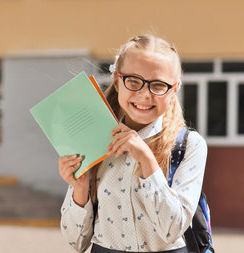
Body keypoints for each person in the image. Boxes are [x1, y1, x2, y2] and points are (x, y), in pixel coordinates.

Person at [58, 34, 207, 253]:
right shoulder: (94, 137)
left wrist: (147, 160)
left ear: (174, 90)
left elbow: (172, 229)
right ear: (118, 81)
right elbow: (75, 243)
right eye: (133, 81)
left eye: (158, 85)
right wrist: (79, 189)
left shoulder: (189, 145)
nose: (144, 95)